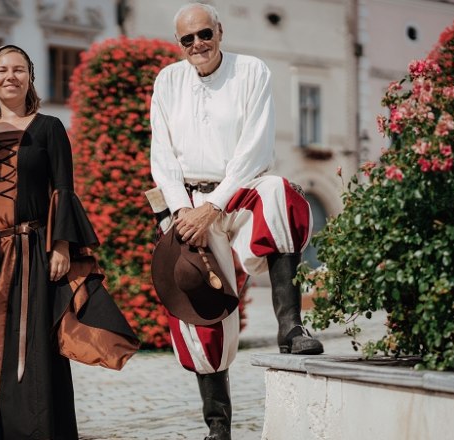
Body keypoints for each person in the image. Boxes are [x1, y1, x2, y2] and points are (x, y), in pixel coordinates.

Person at [150, 3, 324, 440]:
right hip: (187, 202)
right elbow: (162, 157)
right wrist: (180, 212)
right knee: (198, 310)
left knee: (280, 195)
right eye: (187, 39)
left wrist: (216, 204)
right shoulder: (168, 81)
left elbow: (255, 149)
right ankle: (218, 427)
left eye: (204, 34)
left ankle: (290, 326)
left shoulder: (252, 72)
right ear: (179, 44)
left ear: (220, 31)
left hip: (239, 191)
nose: (197, 45)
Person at [0, 45, 100, 440]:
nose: (10, 77)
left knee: (32, 352)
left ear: (30, 77)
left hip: (32, 253)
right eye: (2, 70)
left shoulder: (49, 127)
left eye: (18, 70)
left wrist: (62, 246)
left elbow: (63, 189)